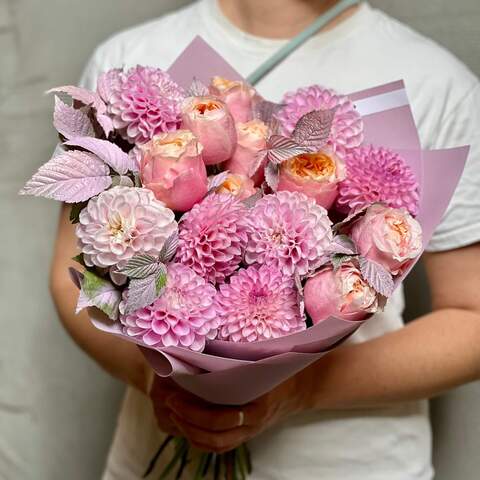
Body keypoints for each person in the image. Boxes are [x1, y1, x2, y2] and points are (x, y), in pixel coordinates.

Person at [50, 1, 480, 479]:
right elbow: (71, 278)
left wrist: (302, 390)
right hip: (152, 458)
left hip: (355, 462)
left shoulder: (440, 84)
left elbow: (472, 317)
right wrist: (162, 384)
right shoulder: (130, 58)